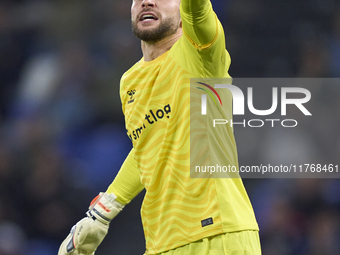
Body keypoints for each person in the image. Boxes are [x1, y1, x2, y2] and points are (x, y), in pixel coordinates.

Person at [58, 0, 261, 254]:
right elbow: (146, 148)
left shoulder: (199, 52)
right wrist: (102, 211)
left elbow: (197, 11)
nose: (147, 1)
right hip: (160, 242)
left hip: (216, 232)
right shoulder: (129, 81)